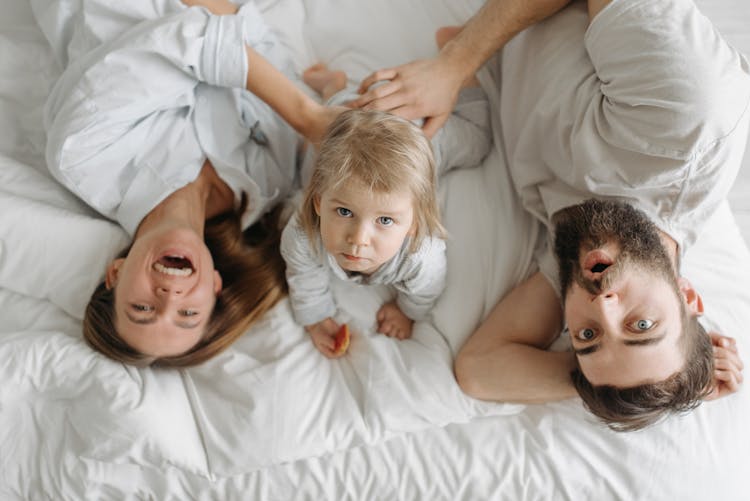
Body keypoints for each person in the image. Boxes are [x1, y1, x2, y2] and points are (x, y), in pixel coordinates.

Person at [357, 0, 749, 429]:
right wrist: (454, 63)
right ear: (688, 296)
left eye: (587, 337)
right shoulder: (683, 123)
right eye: (640, 324)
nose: (602, 306)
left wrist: (630, 387)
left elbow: (479, 369)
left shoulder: (584, 256)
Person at [36, 0, 340, 366]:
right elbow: (262, 50)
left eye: (142, 307)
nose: (168, 296)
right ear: (213, 286)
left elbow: (187, 37)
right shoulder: (264, 186)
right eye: (187, 315)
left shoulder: (83, 157)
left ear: (115, 275)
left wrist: (307, 115)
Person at [280, 62, 491, 358]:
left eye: (385, 220)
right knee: (322, 135)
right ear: (318, 202)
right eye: (343, 213)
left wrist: (406, 311)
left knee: (479, 139)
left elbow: (426, 289)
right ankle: (334, 86)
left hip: (420, 139)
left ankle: (462, 72)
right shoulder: (304, 232)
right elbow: (303, 274)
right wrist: (315, 317)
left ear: (414, 222)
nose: (358, 239)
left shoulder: (422, 255)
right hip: (345, 124)